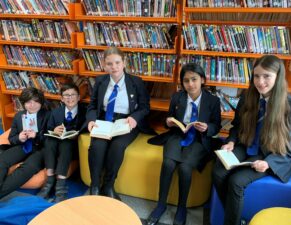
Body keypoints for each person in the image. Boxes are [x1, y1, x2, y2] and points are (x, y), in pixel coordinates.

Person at [212, 55, 291, 225]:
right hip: (245, 145)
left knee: (236, 182)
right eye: (257, 76)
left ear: (278, 76)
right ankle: (236, 217)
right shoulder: (247, 96)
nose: (260, 82)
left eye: (267, 76)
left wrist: (268, 163)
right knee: (218, 172)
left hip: (270, 155)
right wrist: (231, 141)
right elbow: (237, 126)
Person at [146, 63, 221, 225]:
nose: (190, 84)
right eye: (186, 81)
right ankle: (161, 204)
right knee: (168, 163)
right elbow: (169, 118)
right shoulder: (177, 97)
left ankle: (182, 207)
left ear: (202, 79)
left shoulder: (213, 101)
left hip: (199, 139)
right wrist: (168, 122)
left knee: (185, 168)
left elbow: (217, 125)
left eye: (194, 79)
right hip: (177, 134)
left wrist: (208, 127)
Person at [86, 47, 150, 199]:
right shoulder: (100, 81)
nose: (113, 67)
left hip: (126, 121)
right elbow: (92, 105)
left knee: (117, 146)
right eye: (109, 64)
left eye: (117, 62)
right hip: (104, 121)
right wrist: (91, 120)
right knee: (97, 146)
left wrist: (135, 117)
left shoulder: (136, 82)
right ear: (104, 65)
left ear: (124, 63)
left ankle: (108, 186)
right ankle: (94, 185)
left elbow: (145, 107)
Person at [37, 83, 86, 202]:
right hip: (56, 144)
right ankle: (49, 181)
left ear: (79, 97)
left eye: (73, 95)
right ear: (62, 98)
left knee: (66, 144)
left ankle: (60, 185)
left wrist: (76, 135)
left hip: (73, 147)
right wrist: (54, 130)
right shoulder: (56, 112)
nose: (70, 98)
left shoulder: (85, 112)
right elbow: (48, 129)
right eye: (66, 95)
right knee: (49, 140)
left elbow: (86, 129)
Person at [0, 87, 50, 199]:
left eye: (35, 101)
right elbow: (11, 138)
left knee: (28, 168)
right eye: (28, 102)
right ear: (23, 103)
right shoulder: (19, 116)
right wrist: (19, 138)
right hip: (22, 146)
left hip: (40, 149)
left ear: (40, 102)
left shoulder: (48, 115)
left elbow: (50, 139)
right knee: (2, 160)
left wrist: (36, 136)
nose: (32, 105)